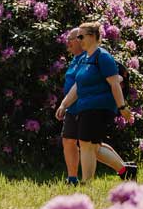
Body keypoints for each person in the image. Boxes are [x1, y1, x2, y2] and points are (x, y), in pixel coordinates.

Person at [56, 26, 137, 185]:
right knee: (90, 146)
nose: (78, 41)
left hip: (99, 106)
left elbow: (116, 81)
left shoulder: (103, 57)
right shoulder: (86, 59)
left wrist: (122, 108)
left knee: (88, 145)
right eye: (77, 37)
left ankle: (87, 183)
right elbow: (78, 85)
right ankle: (122, 172)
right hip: (84, 106)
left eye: (81, 37)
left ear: (92, 36)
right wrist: (64, 104)